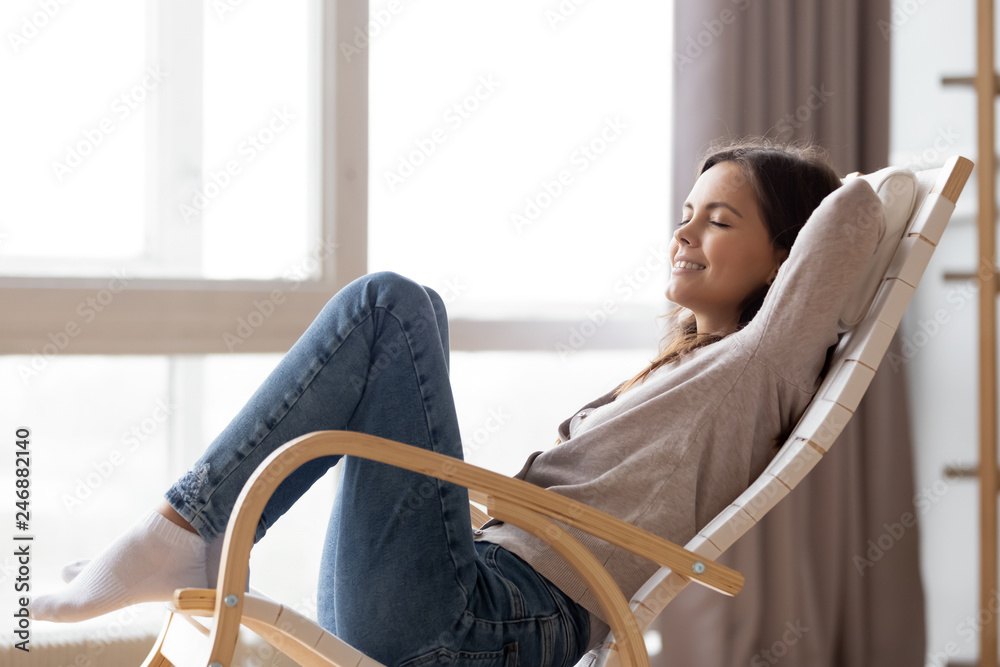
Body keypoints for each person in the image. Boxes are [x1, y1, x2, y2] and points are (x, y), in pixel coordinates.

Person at [29, 137, 885, 667]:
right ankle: (189, 537)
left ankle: (179, 533)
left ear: (786, 259)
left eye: (721, 220)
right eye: (686, 213)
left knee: (388, 306)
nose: (685, 232)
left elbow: (854, 212)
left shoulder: (761, 363)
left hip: (483, 628)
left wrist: (871, 183)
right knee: (416, 312)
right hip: (461, 601)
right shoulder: (686, 368)